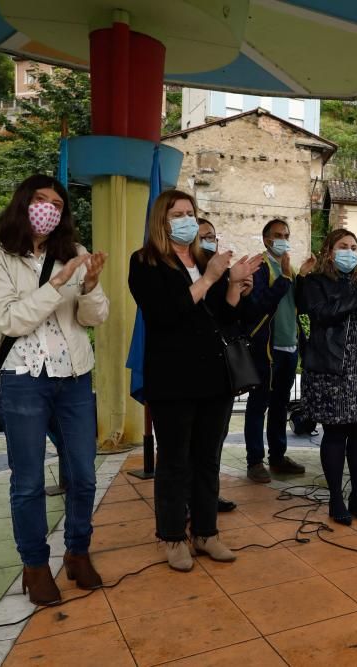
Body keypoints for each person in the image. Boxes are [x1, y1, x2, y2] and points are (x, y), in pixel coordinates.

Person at [0, 175, 109, 604]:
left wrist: (87, 287)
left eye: (56, 203)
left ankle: (78, 551)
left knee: (84, 474)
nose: (48, 208)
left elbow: (95, 317)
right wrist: (56, 285)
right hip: (21, 378)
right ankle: (34, 565)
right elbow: (11, 320)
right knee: (29, 481)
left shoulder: (76, 253)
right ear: (23, 202)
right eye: (40, 200)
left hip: (73, 375)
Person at [128, 190, 261, 571]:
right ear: (162, 220)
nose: (187, 219)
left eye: (191, 213)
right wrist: (210, 278)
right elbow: (166, 315)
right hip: (172, 379)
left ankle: (206, 533)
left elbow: (224, 319)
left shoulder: (204, 260)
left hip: (214, 377)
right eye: (179, 213)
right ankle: (172, 537)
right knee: (174, 462)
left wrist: (235, 287)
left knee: (207, 458)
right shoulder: (145, 263)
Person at [297, 230, 357, 524]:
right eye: (343, 247)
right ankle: (336, 499)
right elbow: (324, 314)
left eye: (354, 247)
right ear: (329, 251)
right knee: (336, 433)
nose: (350, 252)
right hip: (333, 370)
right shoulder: (315, 283)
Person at [240, 219, 314, 483]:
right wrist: (283, 279)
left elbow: (301, 307)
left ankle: (278, 456)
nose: (283, 239)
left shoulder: (289, 268)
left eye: (286, 235)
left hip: (289, 345)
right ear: (266, 239)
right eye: (277, 235)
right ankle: (255, 461)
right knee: (258, 404)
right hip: (265, 349)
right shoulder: (258, 267)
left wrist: (302, 276)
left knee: (280, 405)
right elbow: (257, 305)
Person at [197, 218, 240, 513]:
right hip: (191, 371)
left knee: (214, 443)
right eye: (203, 237)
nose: (209, 241)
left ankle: (208, 499)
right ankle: (187, 502)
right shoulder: (185, 274)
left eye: (212, 236)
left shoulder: (222, 273)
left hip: (220, 369)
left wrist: (237, 286)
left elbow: (230, 317)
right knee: (190, 446)